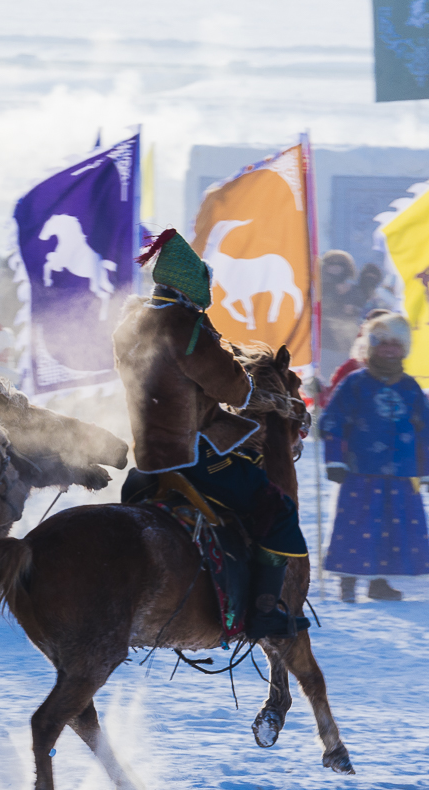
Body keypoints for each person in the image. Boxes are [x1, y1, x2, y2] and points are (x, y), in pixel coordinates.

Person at [120, 228, 310, 641]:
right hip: (193, 457)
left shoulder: (132, 326)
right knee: (276, 510)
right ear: (194, 285)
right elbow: (236, 390)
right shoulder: (185, 328)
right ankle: (263, 614)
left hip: (147, 461)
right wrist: (257, 390)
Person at [322, 313, 429, 602]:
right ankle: (347, 582)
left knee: (390, 528)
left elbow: (427, 431)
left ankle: (379, 582)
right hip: (361, 470)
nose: (389, 349)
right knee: (356, 527)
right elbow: (333, 423)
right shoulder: (354, 383)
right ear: (372, 346)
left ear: (404, 348)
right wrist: (334, 460)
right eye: (382, 343)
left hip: (401, 472)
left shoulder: (410, 387)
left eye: (395, 344)